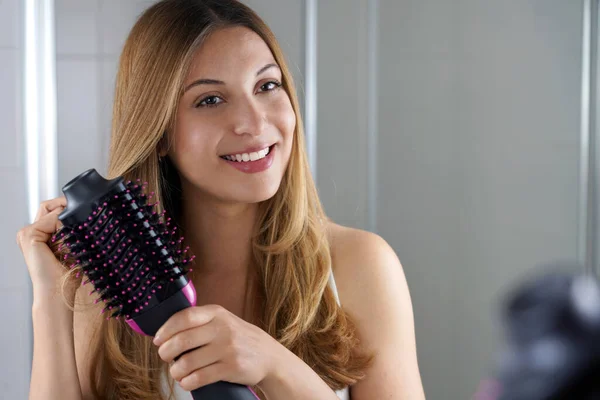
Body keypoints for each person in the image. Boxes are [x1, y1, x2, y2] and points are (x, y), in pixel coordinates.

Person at [17, 1, 425, 399]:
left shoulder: (358, 264)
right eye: (210, 99)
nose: (254, 122)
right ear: (158, 134)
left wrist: (274, 366)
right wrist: (51, 302)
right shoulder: (111, 289)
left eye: (267, 86)